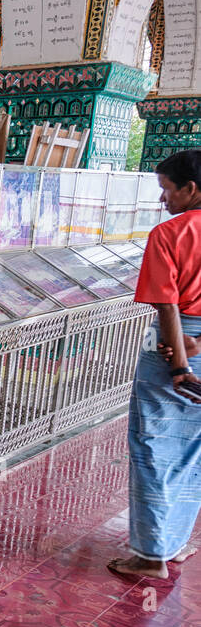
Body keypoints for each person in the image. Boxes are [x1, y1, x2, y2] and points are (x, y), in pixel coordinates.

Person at [110, 149, 201, 579]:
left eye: (167, 189)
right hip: (198, 342)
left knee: (151, 444)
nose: (163, 199)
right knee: (192, 449)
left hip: (172, 345)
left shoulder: (170, 233)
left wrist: (180, 362)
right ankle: (178, 541)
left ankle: (150, 555)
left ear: (190, 189)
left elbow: (167, 305)